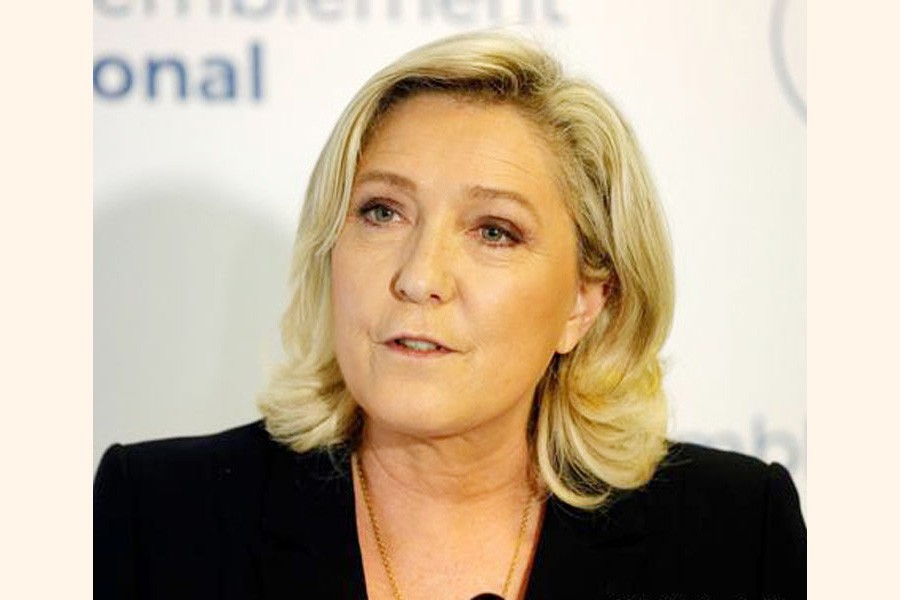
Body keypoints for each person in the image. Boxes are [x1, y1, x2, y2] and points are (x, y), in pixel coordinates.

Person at [94, 31, 806, 599]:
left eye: (495, 231)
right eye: (382, 212)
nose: (418, 277)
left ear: (586, 301)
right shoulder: (158, 515)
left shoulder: (737, 533)